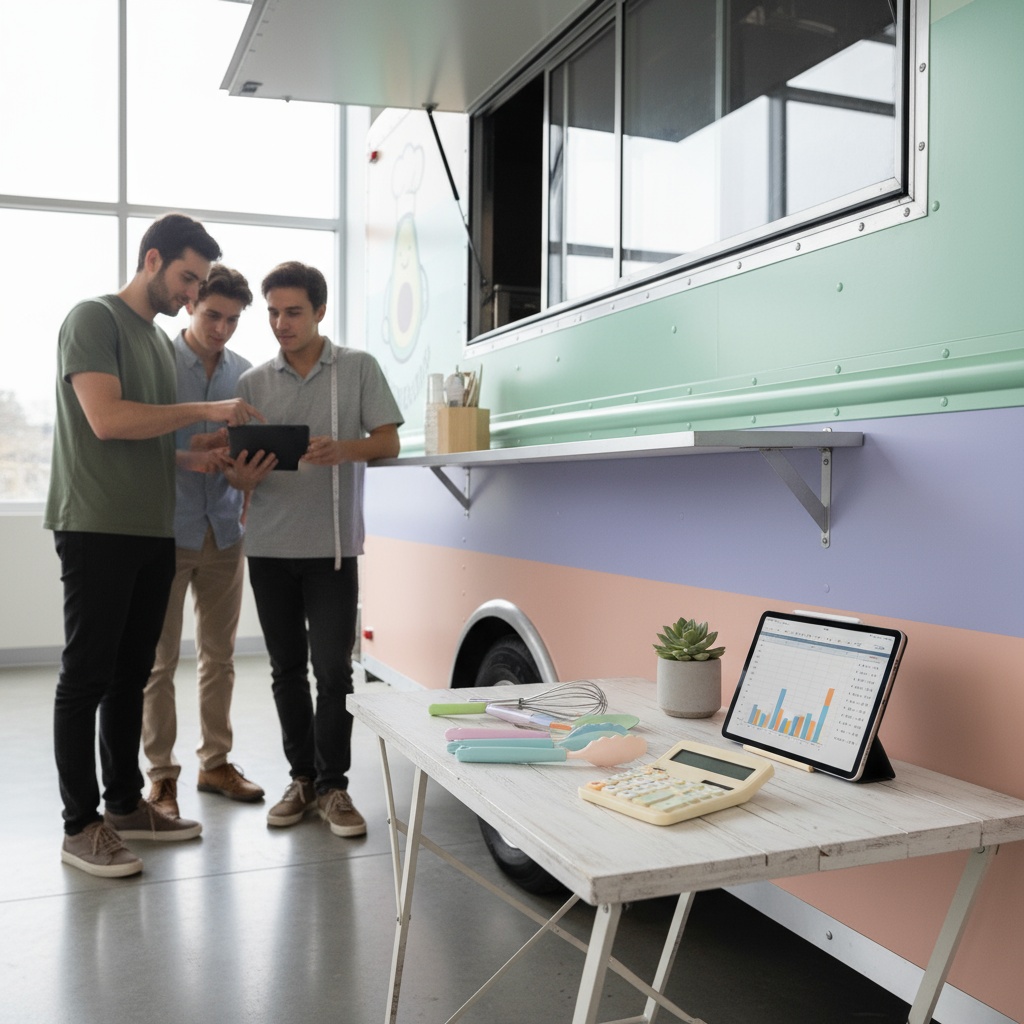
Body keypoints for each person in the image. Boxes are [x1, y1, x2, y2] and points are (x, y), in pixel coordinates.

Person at [45, 213, 264, 878]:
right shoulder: (94, 321)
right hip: (96, 522)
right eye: (187, 279)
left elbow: (146, 437)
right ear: (152, 260)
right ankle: (79, 825)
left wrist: (189, 455)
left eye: (199, 283)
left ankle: (123, 805)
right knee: (86, 676)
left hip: (149, 528)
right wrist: (204, 413)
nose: (193, 296)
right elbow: (107, 421)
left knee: (128, 675)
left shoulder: (147, 337)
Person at [233, 261, 402, 838]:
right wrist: (243, 477)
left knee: (332, 672)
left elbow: (388, 441)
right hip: (269, 546)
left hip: (332, 549)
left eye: (293, 311)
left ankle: (335, 787)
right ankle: (301, 779)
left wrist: (345, 450)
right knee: (285, 671)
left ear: (321, 311)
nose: (281, 322)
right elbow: (237, 474)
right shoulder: (253, 382)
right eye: (274, 312)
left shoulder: (356, 368)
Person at [142, 264, 271, 820]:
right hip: (164, 529)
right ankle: (160, 780)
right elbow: (133, 442)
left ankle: (215, 763)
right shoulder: (158, 362)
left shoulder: (245, 375)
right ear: (192, 305)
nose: (221, 328)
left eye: (233, 320)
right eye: (213, 315)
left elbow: (252, 456)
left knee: (220, 658)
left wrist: (245, 474)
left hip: (225, 530)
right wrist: (185, 457)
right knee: (159, 661)